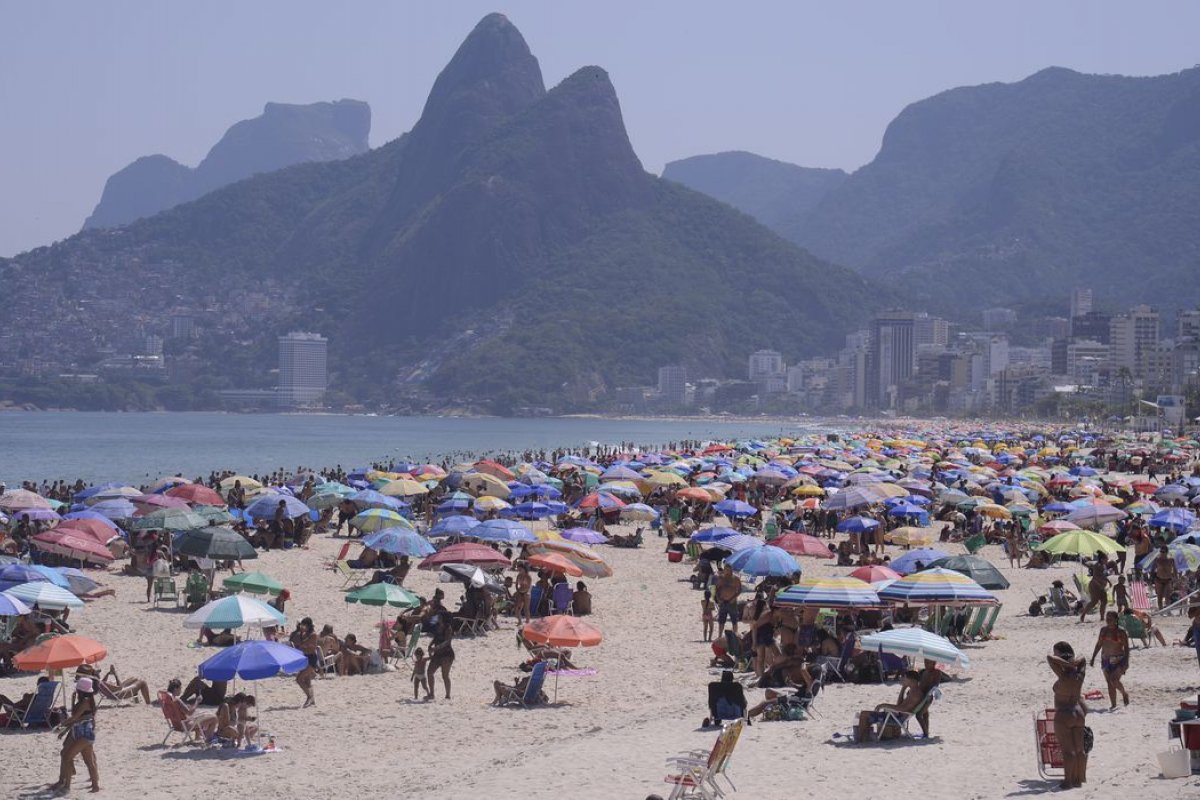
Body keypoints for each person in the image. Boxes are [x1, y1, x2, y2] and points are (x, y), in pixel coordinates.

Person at [1048, 641, 1089, 790]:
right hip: (1078, 712)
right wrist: (1074, 663)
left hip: (1064, 714)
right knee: (1080, 749)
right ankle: (1078, 780)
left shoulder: (1063, 675)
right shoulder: (1080, 675)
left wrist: (1066, 664)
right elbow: (1083, 658)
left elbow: (1049, 658)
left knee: (1068, 751)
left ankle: (1068, 781)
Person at [49, 677, 100, 793]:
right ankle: (91, 785)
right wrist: (64, 731)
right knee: (70, 756)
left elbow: (74, 718)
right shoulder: (84, 701)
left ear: (80, 690)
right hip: (78, 732)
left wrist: (60, 725)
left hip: (84, 734)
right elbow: (77, 719)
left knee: (70, 757)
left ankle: (67, 785)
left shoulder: (86, 702)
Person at [854, 670, 922, 743]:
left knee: (864, 714)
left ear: (912, 680)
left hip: (896, 718)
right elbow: (899, 705)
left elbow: (902, 709)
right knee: (866, 715)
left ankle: (860, 740)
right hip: (896, 716)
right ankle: (864, 738)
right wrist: (903, 689)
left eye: (905, 678)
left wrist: (884, 705)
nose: (903, 679)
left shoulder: (915, 694)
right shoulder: (913, 691)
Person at [1091, 611, 1130, 709]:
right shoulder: (1103, 630)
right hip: (1105, 659)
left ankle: (1124, 693)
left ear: (1116, 619)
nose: (1108, 620)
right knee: (1109, 683)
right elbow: (1099, 644)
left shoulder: (1121, 632)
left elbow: (1126, 647)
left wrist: (1126, 661)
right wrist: (1093, 657)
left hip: (1118, 659)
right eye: (1107, 618)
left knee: (1114, 680)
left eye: (1110, 619)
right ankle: (1113, 705)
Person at [289, 617, 318, 708]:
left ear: (308, 626)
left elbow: (303, 644)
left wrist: (300, 638)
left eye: (304, 625)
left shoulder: (313, 635)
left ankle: (309, 697)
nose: (302, 627)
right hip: (304, 658)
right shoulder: (303, 633)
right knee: (307, 681)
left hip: (311, 659)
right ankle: (312, 700)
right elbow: (295, 642)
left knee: (299, 679)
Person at [425, 616, 454, 701]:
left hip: (446, 655)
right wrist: (430, 645)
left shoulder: (448, 628)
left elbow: (447, 641)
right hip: (437, 654)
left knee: (445, 675)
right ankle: (432, 693)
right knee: (429, 672)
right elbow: (435, 638)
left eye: (440, 617)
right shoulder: (437, 626)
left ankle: (448, 695)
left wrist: (436, 648)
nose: (438, 618)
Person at [1079, 551, 1110, 622]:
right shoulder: (1097, 565)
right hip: (1095, 585)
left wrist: (1108, 582)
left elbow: (1103, 576)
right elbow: (1095, 577)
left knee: (1104, 601)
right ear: (1102, 559)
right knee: (1094, 602)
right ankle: (1083, 614)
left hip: (1101, 586)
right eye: (1106, 559)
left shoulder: (1103, 566)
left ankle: (1102, 617)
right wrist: (1100, 585)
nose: (1107, 560)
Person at [714, 565, 742, 637]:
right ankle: (719, 635)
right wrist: (718, 599)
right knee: (721, 621)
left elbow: (739, 590)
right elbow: (716, 589)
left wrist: (734, 598)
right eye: (726, 570)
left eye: (729, 570)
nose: (727, 572)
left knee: (734, 620)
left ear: (731, 570)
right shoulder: (721, 578)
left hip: (732, 602)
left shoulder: (735, 579)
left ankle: (735, 636)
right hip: (723, 602)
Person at [1151, 545, 1178, 610]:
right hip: (1159, 580)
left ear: (1166, 552)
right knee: (1159, 597)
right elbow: (1152, 570)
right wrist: (1151, 579)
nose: (1162, 553)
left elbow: (1175, 569)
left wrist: (1176, 578)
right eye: (1161, 551)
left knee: (1167, 597)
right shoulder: (1157, 560)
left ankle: (1168, 611)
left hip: (1168, 580)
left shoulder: (1171, 560)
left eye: (1163, 552)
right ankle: (1161, 611)